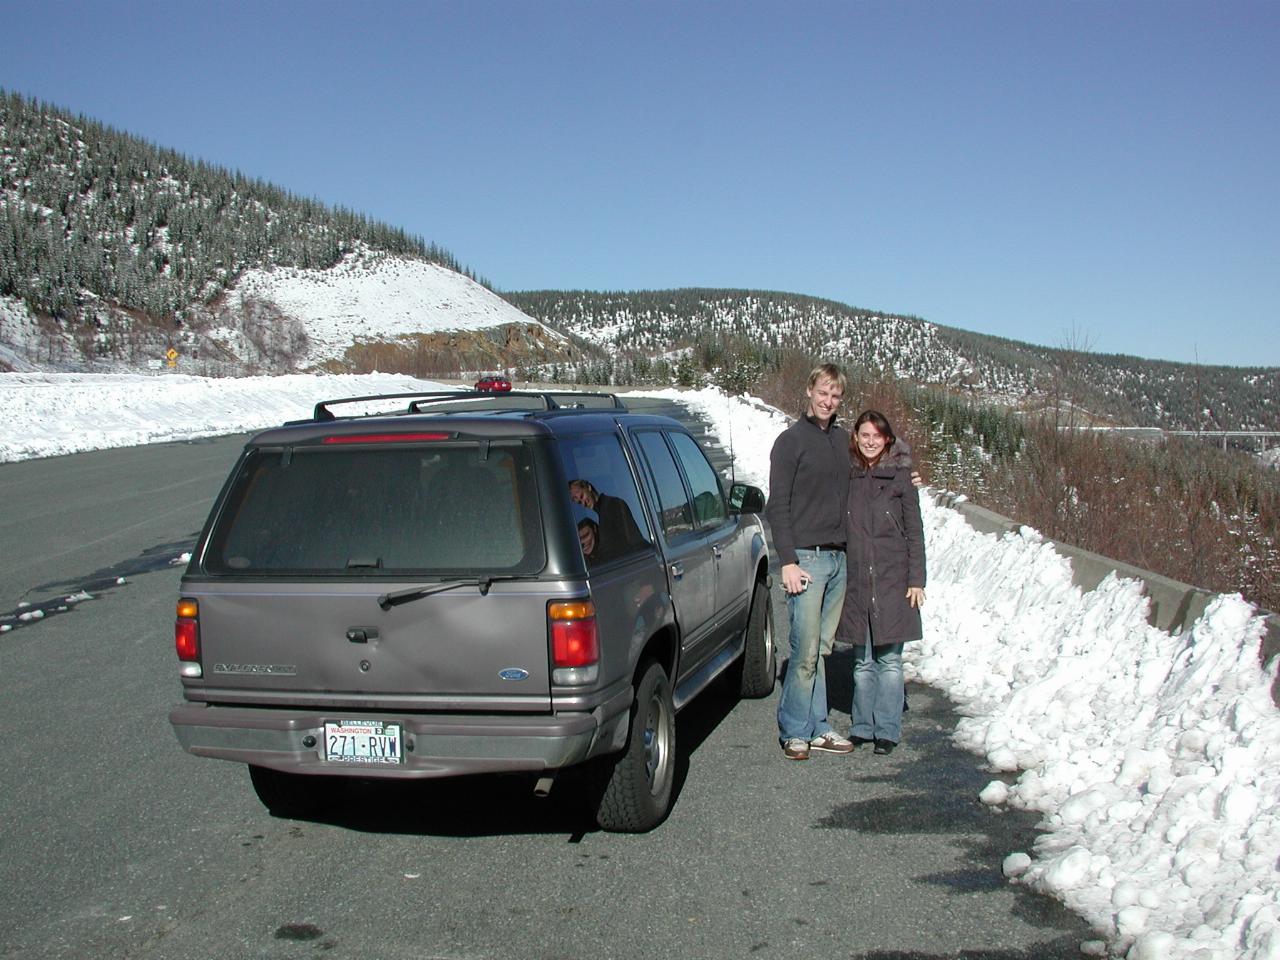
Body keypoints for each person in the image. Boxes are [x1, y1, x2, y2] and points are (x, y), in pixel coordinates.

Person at [766, 363, 857, 760]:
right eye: (823, 393)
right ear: (809, 391)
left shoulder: (842, 441)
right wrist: (787, 560)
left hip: (839, 558)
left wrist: (906, 474)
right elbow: (777, 505)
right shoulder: (791, 441)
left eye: (835, 396)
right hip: (806, 559)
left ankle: (818, 726)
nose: (828, 401)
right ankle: (794, 729)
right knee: (803, 651)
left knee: (821, 649)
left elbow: (872, 470)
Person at [836, 410, 926, 756]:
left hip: (893, 580)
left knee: (889, 660)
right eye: (864, 435)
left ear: (887, 439)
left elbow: (915, 534)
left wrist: (917, 579)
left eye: (877, 435)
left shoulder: (901, 479)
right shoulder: (848, 477)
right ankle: (862, 726)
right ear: (856, 438)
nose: (870, 441)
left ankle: (887, 729)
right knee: (862, 661)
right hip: (859, 580)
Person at [568, 479, 646, 558]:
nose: (583, 503)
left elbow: (635, 541)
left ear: (588, 487)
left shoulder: (613, 505)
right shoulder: (602, 513)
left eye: (582, 496)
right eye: (579, 503)